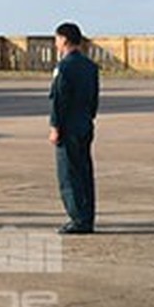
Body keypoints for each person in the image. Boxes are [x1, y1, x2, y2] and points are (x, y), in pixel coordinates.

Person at [48, 22, 99, 235]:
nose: (56, 44)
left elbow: (59, 100)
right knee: (84, 171)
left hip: (68, 126)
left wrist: (55, 126)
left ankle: (78, 219)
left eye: (57, 39)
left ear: (65, 40)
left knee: (69, 174)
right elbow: (94, 98)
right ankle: (87, 216)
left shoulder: (65, 67)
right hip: (85, 123)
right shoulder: (90, 66)